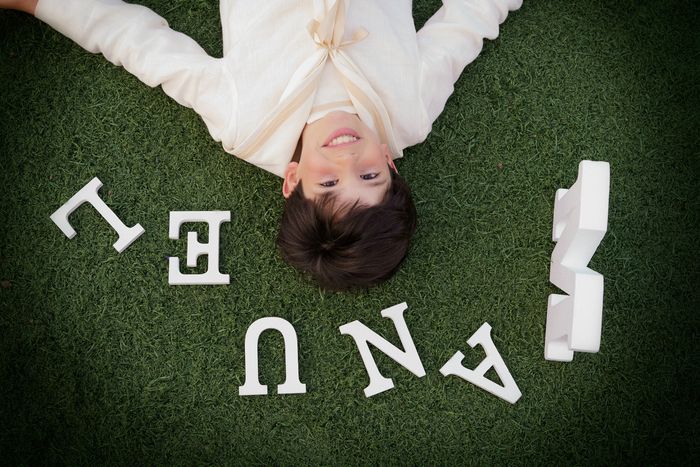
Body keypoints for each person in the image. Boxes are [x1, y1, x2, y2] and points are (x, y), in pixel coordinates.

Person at [1, 0, 523, 290]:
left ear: (292, 180)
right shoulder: (411, 112)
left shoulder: (243, 124)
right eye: (369, 176)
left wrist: (41, 3)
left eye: (327, 182)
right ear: (390, 162)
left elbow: (139, 46)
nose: (348, 159)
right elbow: (469, 22)